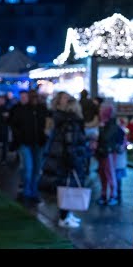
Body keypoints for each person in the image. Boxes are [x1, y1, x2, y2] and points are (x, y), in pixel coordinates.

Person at [42, 92, 88, 228]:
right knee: (67, 187)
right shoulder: (70, 122)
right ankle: (64, 217)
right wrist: (73, 161)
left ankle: (67, 214)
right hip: (67, 160)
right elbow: (70, 144)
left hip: (63, 159)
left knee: (66, 187)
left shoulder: (64, 120)